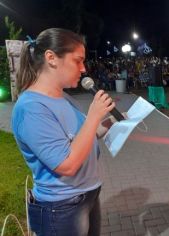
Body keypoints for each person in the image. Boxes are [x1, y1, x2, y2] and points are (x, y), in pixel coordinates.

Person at [11, 28, 116, 236]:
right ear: (51, 58)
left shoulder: (64, 98)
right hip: (62, 207)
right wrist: (94, 116)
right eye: (78, 60)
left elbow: (83, 138)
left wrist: (112, 122)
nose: (84, 69)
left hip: (88, 194)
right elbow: (66, 164)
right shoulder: (31, 108)